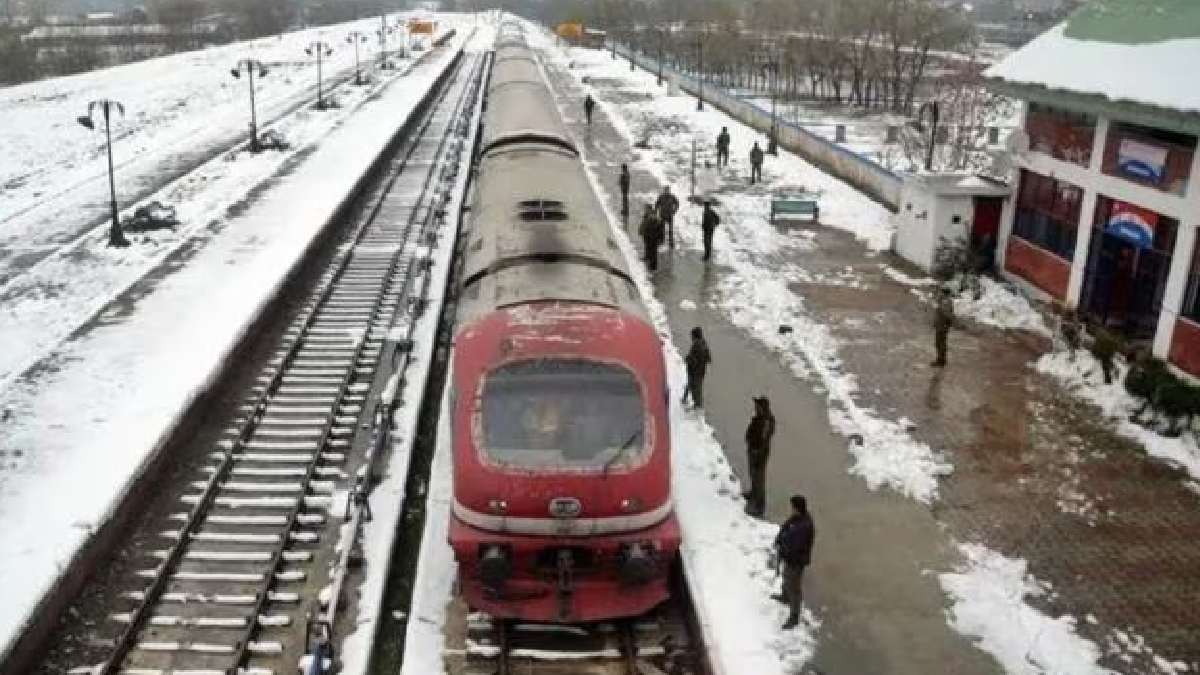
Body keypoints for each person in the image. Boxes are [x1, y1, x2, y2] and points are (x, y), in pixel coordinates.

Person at [774, 494, 815, 630]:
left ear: (797, 508)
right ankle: (785, 596)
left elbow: (795, 546)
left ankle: (794, 616)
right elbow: (786, 527)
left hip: (796, 561)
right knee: (786, 578)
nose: (791, 510)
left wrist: (783, 550)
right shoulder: (797, 518)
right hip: (790, 558)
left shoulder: (804, 526)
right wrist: (780, 538)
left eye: (792, 507)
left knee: (794, 586)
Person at [742, 396, 776, 517]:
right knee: (753, 474)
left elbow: (764, 440)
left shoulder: (766, 422)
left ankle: (759, 506)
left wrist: (758, 452)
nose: (755, 407)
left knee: (759, 478)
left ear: (762, 407)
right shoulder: (760, 417)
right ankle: (753, 494)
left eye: (757, 406)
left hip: (759, 454)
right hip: (753, 450)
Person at [681, 327, 712, 407]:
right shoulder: (704, 344)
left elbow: (693, 360)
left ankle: (697, 405)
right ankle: (685, 399)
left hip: (694, 372)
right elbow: (709, 359)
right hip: (700, 371)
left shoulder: (696, 345)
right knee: (693, 386)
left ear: (695, 336)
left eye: (692, 335)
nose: (691, 337)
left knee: (695, 388)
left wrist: (687, 359)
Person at [931, 286, 955, 367]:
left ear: (944, 293)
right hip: (941, 325)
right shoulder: (943, 301)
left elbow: (947, 314)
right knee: (939, 343)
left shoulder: (945, 302)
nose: (940, 293)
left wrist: (939, 307)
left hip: (942, 325)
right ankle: (941, 359)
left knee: (940, 343)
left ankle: (941, 361)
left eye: (941, 292)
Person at [639, 204, 664, 271]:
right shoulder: (647, 215)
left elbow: (660, 229)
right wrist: (641, 231)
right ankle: (647, 258)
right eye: (645, 209)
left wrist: (661, 239)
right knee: (648, 248)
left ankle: (653, 267)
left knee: (653, 251)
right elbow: (643, 224)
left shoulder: (655, 218)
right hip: (647, 235)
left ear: (649, 209)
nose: (645, 210)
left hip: (653, 237)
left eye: (646, 209)